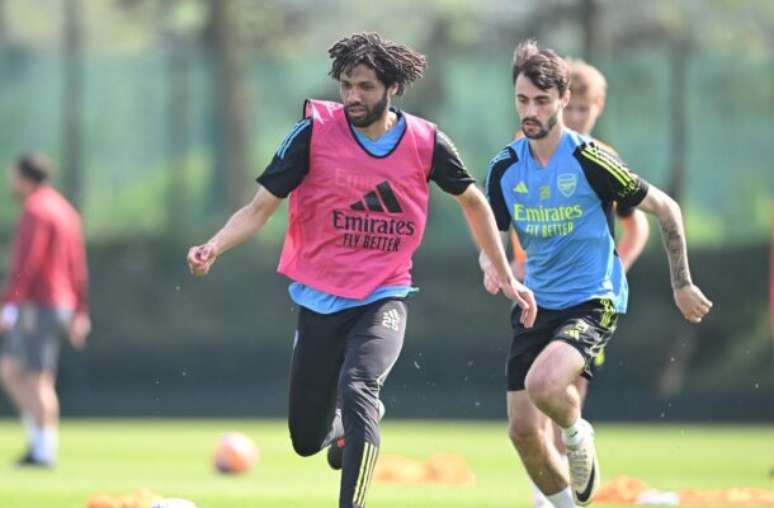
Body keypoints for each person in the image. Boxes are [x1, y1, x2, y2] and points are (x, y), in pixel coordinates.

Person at [187, 32, 536, 508]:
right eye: (347, 85)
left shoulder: (425, 141)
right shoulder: (312, 133)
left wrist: (508, 276)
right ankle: (347, 430)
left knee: (358, 386)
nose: (352, 96)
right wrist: (214, 246)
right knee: (307, 438)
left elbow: (474, 204)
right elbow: (259, 208)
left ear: (391, 88)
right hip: (318, 301)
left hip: (383, 296)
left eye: (365, 86)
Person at [480, 40, 712, 507]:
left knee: (545, 386)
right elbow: (494, 236)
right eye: (523, 100)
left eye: (542, 101)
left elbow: (664, 209)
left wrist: (682, 282)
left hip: (592, 299)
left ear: (563, 101)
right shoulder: (505, 167)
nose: (531, 110)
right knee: (522, 431)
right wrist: (494, 267)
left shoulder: (591, 158)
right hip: (534, 303)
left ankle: (574, 428)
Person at [511, 58, 651, 508]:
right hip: (538, 292)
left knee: (562, 392)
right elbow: (510, 211)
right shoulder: (524, 147)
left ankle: (556, 489)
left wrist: (610, 277)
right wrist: (508, 261)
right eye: (569, 110)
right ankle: (550, 491)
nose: (573, 120)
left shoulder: (598, 157)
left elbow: (637, 227)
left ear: (596, 107)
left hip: (586, 298)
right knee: (529, 410)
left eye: (582, 111)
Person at [0, 152, 91, 467]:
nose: (10, 182)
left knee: (37, 379)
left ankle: (44, 450)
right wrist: (81, 309)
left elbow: (28, 262)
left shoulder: (36, 210)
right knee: (12, 371)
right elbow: (78, 265)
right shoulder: (65, 210)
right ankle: (38, 441)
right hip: (61, 304)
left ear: (25, 178)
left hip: (40, 304)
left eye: (13, 175)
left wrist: (9, 303)